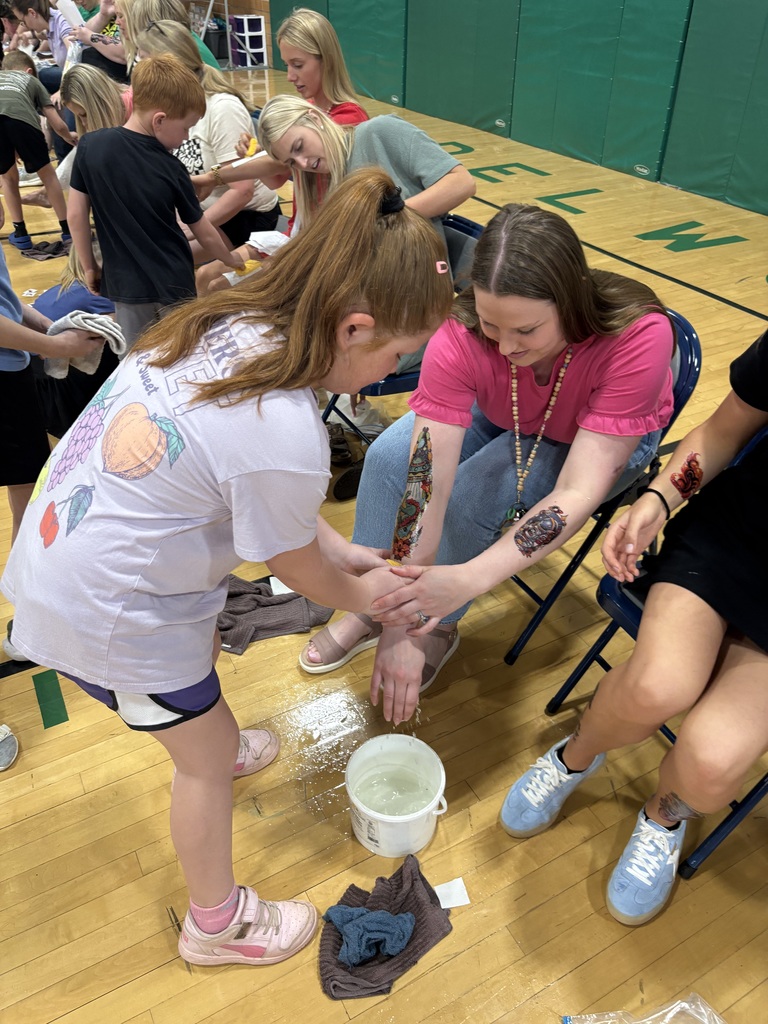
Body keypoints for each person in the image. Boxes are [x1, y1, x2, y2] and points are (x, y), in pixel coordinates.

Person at [1, 168, 454, 966]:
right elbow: (291, 561)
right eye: (396, 353)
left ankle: (202, 729)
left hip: (67, 551)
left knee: (198, 691)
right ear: (353, 328)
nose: (389, 375)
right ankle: (217, 924)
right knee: (203, 764)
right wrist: (371, 597)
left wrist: (342, 549)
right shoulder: (284, 427)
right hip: (108, 609)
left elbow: (251, 490)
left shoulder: (242, 323)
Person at [300, 203, 676, 726]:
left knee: (478, 496)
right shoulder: (464, 329)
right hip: (508, 410)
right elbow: (424, 476)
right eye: (491, 324)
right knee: (389, 456)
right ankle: (379, 599)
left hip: (591, 441)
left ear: (569, 303)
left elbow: (578, 490)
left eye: (526, 330)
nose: (504, 346)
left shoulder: (639, 336)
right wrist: (397, 621)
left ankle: (440, 623)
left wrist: (459, 585)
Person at [499, 334, 768, 925]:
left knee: (714, 762)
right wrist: (659, 499)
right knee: (657, 686)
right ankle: (575, 755)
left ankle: (662, 817)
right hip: (731, 541)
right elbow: (724, 431)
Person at [192, 95, 475, 304]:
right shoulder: (318, 173)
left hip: (405, 295)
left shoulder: (378, 132)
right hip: (355, 290)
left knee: (242, 306)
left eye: (300, 147)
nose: (303, 162)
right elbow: (267, 164)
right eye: (293, 160)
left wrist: (390, 213)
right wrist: (210, 178)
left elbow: (462, 183)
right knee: (217, 287)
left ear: (315, 119)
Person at [67, 53, 244, 350]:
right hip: (174, 283)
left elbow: (75, 215)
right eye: (186, 128)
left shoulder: (90, 145)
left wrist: (89, 267)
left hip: (125, 286)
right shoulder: (171, 167)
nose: (186, 137)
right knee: (180, 358)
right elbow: (202, 229)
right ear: (159, 120)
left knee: (135, 361)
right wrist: (231, 260)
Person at [1, 195, 102, 664]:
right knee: (29, 491)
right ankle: (27, 620)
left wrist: (48, 329)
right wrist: (53, 346)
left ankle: (27, 607)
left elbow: (6, 304)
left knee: (26, 487)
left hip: (13, 372)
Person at [136, 20, 280, 256]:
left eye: (143, 61)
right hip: (204, 214)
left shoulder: (222, 108)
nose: (138, 72)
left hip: (246, 219)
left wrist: (190, 228)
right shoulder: (173, 106)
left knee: (159, 254)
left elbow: (242, 191)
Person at [22, 63, 129, 209]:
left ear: (96, 102)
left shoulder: (128, 106)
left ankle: (46, 193)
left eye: (84, 115)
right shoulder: (118, 104)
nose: (84, 122)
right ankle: (46, 192)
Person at [0, 50, 77, 249]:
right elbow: (56, 122)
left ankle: (21, 234)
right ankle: (67, 231)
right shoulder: (32, 81)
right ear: (30, 71)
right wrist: (69, 137)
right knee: (48, 175)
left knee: (8, 178)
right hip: (24, 124)